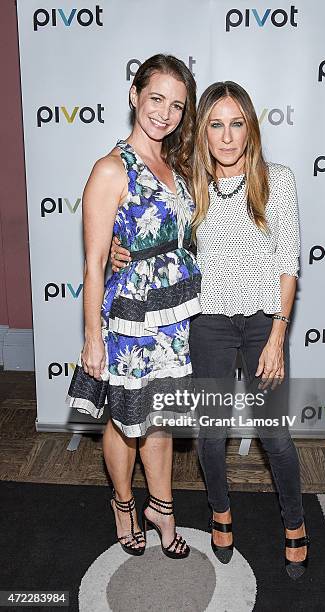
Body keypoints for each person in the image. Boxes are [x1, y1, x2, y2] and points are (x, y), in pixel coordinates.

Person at [111, 80, 310, 579]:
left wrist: (277, 337)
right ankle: (220, 515)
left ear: (251, 128)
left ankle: (295, 523)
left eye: (236, 124)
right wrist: (121, 250)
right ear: (203, 132)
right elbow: (152, 230)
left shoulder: (277, 180)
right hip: (208, 325)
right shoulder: (188, 183)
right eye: (216, 125)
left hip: (264, 323)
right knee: (210, 436)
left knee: (276, 437)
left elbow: (289, 262)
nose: (226, 137)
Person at [66, 54, 201, 560]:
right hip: (130, 320)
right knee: (127, 419)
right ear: (134, 96)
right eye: (156, 99)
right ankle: (124, 504)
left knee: (161, 418)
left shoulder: (177, 166)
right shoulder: (109, 169)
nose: (164, 113)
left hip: (176, 314)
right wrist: (92, 339)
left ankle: (161, 507)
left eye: (176, 105)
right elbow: (95, 263)